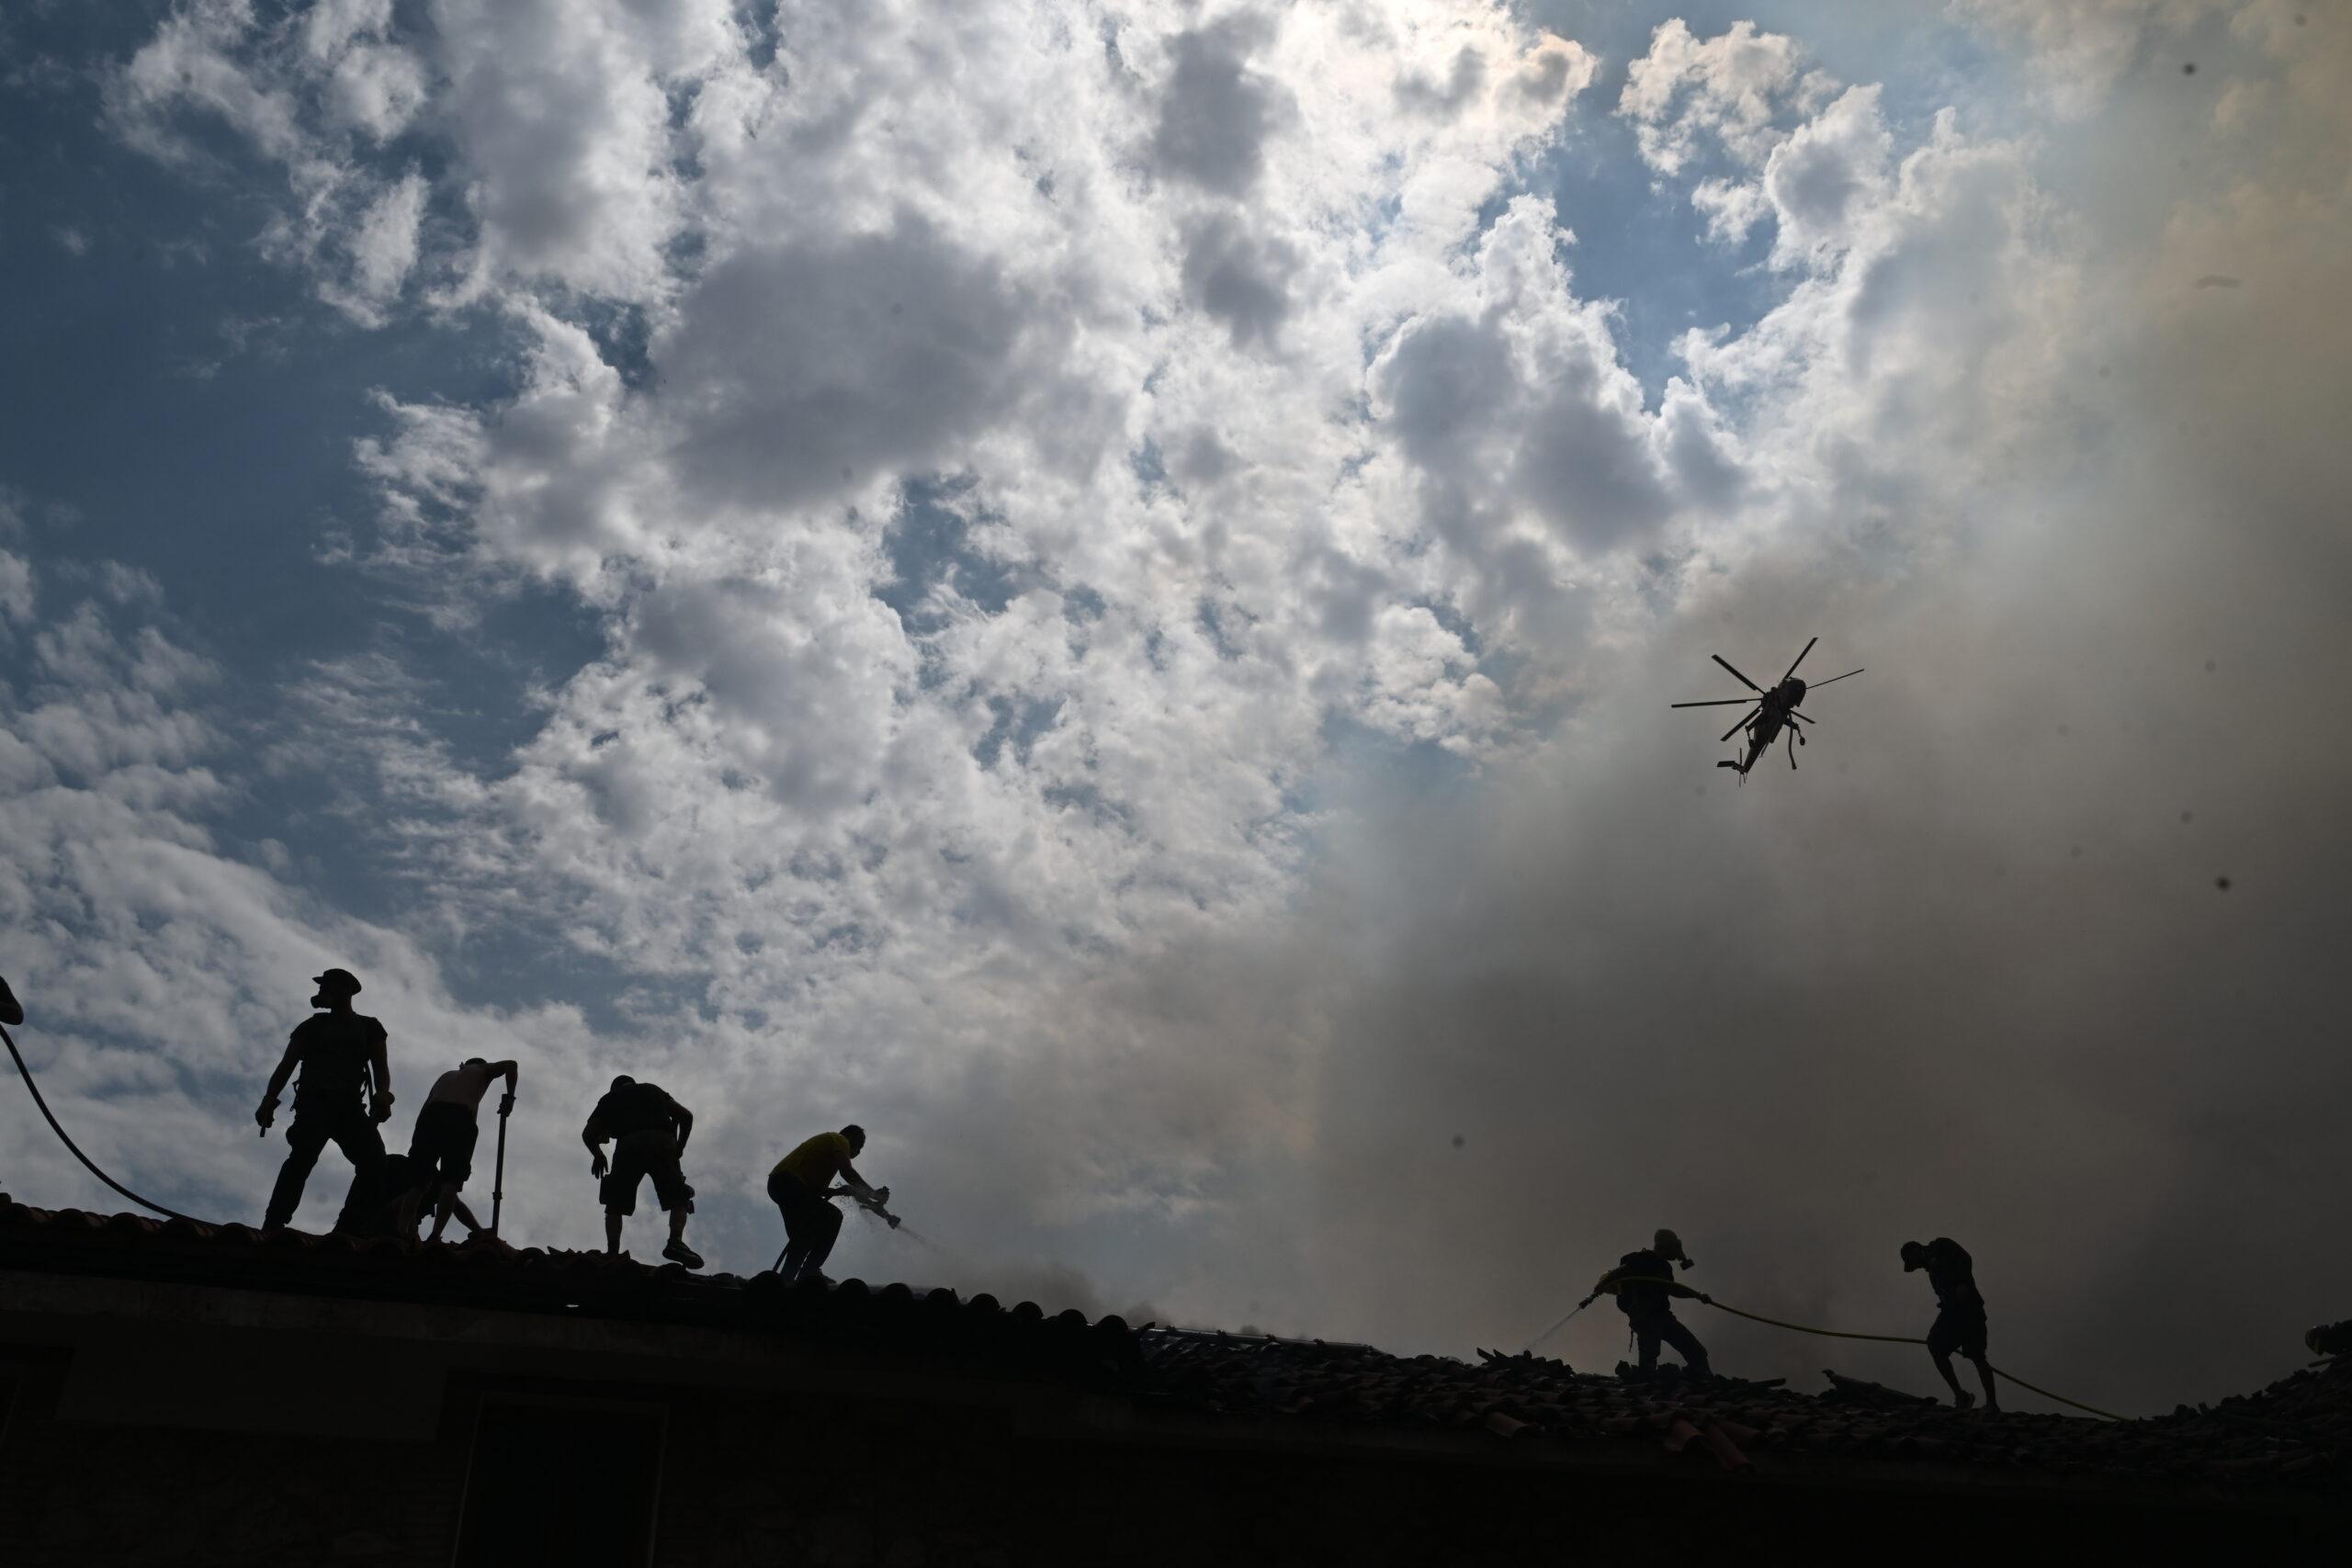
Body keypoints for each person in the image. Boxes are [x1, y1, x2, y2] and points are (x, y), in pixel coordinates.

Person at [255, 968, 393, 1234]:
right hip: (314, 1105)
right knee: (301, 1159)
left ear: (345, 991)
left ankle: (348, 1227)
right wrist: (268, 1099)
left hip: (349, 1107)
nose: (320, 992)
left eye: (327, 987)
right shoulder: (312, 1026)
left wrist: (383, 1095)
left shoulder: (369, 1026)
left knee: (375, 1162)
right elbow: (286, 1065)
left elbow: (381, 1069)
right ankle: (274, 1223)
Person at [581, 1074, 702, 1269]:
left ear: (615, 1088)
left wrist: (598, 1154)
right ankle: (676, 1241)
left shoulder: (609, 1099)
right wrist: (680, 1147)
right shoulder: (652, 1090)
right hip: (662, 1141)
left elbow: (588, 1134)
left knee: (615, 1203)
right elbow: (686, 1116)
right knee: (679, 1196)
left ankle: (612, 1253)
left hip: (628, 1145)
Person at [397, 1055, 518, 1243]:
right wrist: (510, 1098)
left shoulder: (445, 1076)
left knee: (418, 1184)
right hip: (459, 1117)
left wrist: (416, 1142)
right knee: (450, 1183)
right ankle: (435, 1236)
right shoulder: (481, 1069)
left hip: (429, 1120)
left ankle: (401, 1233)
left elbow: (423, 1111)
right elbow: (511, 1065)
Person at [766, 1124, 888, 1283]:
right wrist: (874, 1194)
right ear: (852, 1139)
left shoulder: (826, 1156)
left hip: (782, 1184)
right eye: (859, 1147)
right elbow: (848, 1173)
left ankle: (786, 1280)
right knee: (832, 1217)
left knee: (803, 1238)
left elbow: (816, 1191)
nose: (858, 1152)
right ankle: (809, 1272)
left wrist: (841, 1192)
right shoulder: (840, 1140)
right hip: (788, 1182)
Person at [1594, 1228, 1713, 1377]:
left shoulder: (1664, 1267)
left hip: (1663, 1316)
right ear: (1665, 1246)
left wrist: (1697, 1296)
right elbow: (1621, 1271)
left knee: (1697, 1353)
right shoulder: (1644, 1259)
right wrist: (1601, 1285)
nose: (1675, 1253)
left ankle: (1699, 1377)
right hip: (1646, 1318)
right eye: (1673, 1248)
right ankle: (1646, 1386)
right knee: (1648, 1364)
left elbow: (1672, 1289)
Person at [1903, 1237, 1999, 1411]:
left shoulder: (1940, 1246)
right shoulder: (1932, 1274)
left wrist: (1963, 1282)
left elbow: (1965, 1258)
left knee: (1977, 1356)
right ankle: (1961, 1395)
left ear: (1916, 1251)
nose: (1917, 1267)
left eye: (1913, 1262)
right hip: (1952, 1314)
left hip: (1970, 1311)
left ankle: (1992, 1403)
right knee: (1935, 1345)